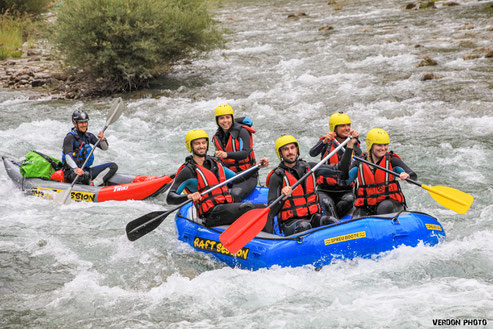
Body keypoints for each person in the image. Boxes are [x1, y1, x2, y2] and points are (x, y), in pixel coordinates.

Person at [167, 129, 271, 230]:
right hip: (210, 214)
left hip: (225, 206)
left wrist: (257, 166)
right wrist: (189, 196)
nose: (201, 146)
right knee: (250, 208)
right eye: (197, 144)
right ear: (190, 146)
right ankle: (270, 239)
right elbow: (170, 197)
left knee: (266, 207)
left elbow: (238, 179)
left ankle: (270, 234)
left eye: (204, 143)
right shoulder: (187, 171)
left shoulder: (215, 164)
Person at [266, 133, 356, 236]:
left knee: (331, 220)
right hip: (292, 223)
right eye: (286, 149)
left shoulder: (310, 168)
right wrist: (282, 198)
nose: (290, 152)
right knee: (304, 226)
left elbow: (341, 169)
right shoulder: (277, 176)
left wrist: (349, 146)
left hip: (313, 218)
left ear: (297, 149)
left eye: (292, 148)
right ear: (280, 154)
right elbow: (271, 211)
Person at [343, 128, 417, 217]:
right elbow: (344, 180)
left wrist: (407, 175)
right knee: (357, 215)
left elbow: (413, 176)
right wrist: (349, 147)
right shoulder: (360, 162)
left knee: (383, 207)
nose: (383, 148)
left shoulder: (392, 161)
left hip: (390, 205)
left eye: (385, 145)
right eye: (379, 145)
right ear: (371, 145)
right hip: (368, 205)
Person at [309, 112, 362, 218]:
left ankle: (336, 219)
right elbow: (312, 153)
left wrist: (353, 143)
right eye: (343, 126)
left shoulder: (353, 142)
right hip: (325, 190)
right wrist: (324, 141)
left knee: (350, 200)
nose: (347, 128)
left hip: (345, 190)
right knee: (327, 204)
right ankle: (333, 222)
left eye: (348, 125)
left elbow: (360, 158)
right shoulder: (326, 142)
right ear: (334, 128)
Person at [212, 104, 258, 202]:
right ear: (217, 121)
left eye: (228, 117)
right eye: (221, 118)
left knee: (235, 194)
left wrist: (226, 154)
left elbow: (245, 153)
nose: (225, 121)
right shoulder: (217, 136)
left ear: (232, 118)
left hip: (247, 176)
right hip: (229, 176)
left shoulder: (242, 132)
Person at [61, 110, 118, 186]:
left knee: (113, 166)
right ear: (74, 123)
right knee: (85, 175)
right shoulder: (70, 137)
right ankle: (90, 182)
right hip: (72, 172)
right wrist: (76, 169)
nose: (84, 125)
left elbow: (105, 148)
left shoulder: (88, 136)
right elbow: (68, 156)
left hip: (86, 170)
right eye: (81, 122)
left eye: (85, 122)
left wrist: (102, 140)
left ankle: (94, 184)